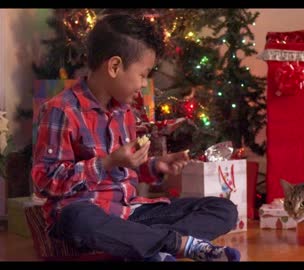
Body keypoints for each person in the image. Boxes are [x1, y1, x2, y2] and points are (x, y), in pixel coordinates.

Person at [31, 13, 240, 262]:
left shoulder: (125, 111)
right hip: (86, 213)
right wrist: (106, 163)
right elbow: (44, 182)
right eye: (143, 74)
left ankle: (148, 246)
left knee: (224, 210)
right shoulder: (61, 110)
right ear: (115, 66)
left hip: (131, 213)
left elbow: (128, 171)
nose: (144, 84)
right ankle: (174, 243)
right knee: (78, 220)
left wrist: (155, 165)